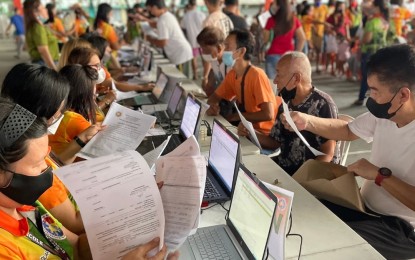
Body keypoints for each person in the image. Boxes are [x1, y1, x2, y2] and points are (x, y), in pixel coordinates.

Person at [0, 99, 178, 259]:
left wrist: (134, 216)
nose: (47, 168)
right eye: (38, 163)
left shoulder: (23, 205)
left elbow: (76, 246)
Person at [286, 45, 415, 259]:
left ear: (403, 94)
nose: (370, 98)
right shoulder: (386, 114)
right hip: (363, 207)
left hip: (401, 229)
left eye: (375, 91)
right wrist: (307, 121)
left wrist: (379, 175)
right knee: (301, 211)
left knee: (326, 242)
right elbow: (347, 130)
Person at [239, 51, 338, 175]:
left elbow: (327, 155)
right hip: (285, 171)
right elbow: (274, 142)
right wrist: (250, 132)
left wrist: (301, 180)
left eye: (279, 75)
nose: (275, 81)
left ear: (296, 78)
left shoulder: (323, 104)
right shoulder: (286, 103)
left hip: (311, 178)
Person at [207, 29, 279, 135]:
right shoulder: (233, 74)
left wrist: (235, 116)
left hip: (262, 134)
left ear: (241, 52)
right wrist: (213, 107)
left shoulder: (256, 75)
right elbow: (213, 98)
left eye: (227, 47)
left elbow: (268, 114)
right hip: (245, 129)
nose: (223, 50)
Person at [82, 34, 155, 93]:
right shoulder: (97, 69)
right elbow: (116, 85)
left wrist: (123, 70)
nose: (111, 50)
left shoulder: (100, 67)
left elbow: (113, 75)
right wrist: (141, 87)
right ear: (100, 50)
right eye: (108, 50)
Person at [354, 0, 388, 105]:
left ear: (377, 7)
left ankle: (361, 98)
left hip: (369, 53)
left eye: (372, 5)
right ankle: (379, 100)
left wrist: (359, 41)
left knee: (367, 77)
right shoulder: (384, 21)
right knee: (379, 77)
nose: (370, 7)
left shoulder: (371, 22)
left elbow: (367, 39)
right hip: (381, 52)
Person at [264, 0, 306, 79]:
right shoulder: (294, 19)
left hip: (272, 55)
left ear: (278, 6)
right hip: (289, 57)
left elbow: (265, 39)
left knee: (272, 87)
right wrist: (297, 53)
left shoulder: (271, 20)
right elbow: (302, 38)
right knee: (287, 86)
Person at [145, 0, 193, 69]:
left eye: (151, 10)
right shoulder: (166, 15)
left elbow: (163, 42)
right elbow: (155, 25)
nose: (151, 13)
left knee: (180, 79)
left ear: (155, 7)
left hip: (180, 54)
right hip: (181, 52)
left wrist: (150, 39)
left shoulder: (162, 20)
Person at [23, 0, 59, 70]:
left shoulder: (38, 25)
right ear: (36, 13)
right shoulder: (38, 27)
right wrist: (54, 68)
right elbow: (43, 50)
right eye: (43, 8)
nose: (46, 10)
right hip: (45, 63)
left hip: (43, 62)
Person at [181, 0, 206, 80]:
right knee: (204, 58)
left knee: (194, 58)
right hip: (202, 40)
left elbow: (183, 28)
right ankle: (206, 75)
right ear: (195, 4)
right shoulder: (201, 14)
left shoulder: (186, 16)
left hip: (192, 39)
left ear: (189, 5)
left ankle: (195, 75)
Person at [311, 0, 329, 73]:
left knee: (319, 51)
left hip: (321, 33)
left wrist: (326, 29)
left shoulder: (324, 8)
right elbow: (310, 20)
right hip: (312, 33)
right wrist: (313, 28)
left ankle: (318, 67)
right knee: (312, 50)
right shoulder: (312, 8)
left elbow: (326, 19)